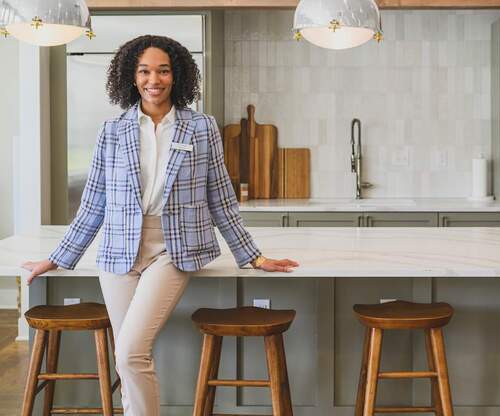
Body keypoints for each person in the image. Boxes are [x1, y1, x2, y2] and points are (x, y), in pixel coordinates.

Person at [22, 35, 299, 416]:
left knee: (132, 350)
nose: (155, 79)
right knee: (128, 356)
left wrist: (253, 256)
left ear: (177, 75)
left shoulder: (201, 128)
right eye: (145, 71)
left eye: (163, 70)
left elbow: (220, 198)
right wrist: (55, 258)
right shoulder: (112, 130)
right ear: (131, 77)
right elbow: (93, 204)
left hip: (172, 250)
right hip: (118, 254)